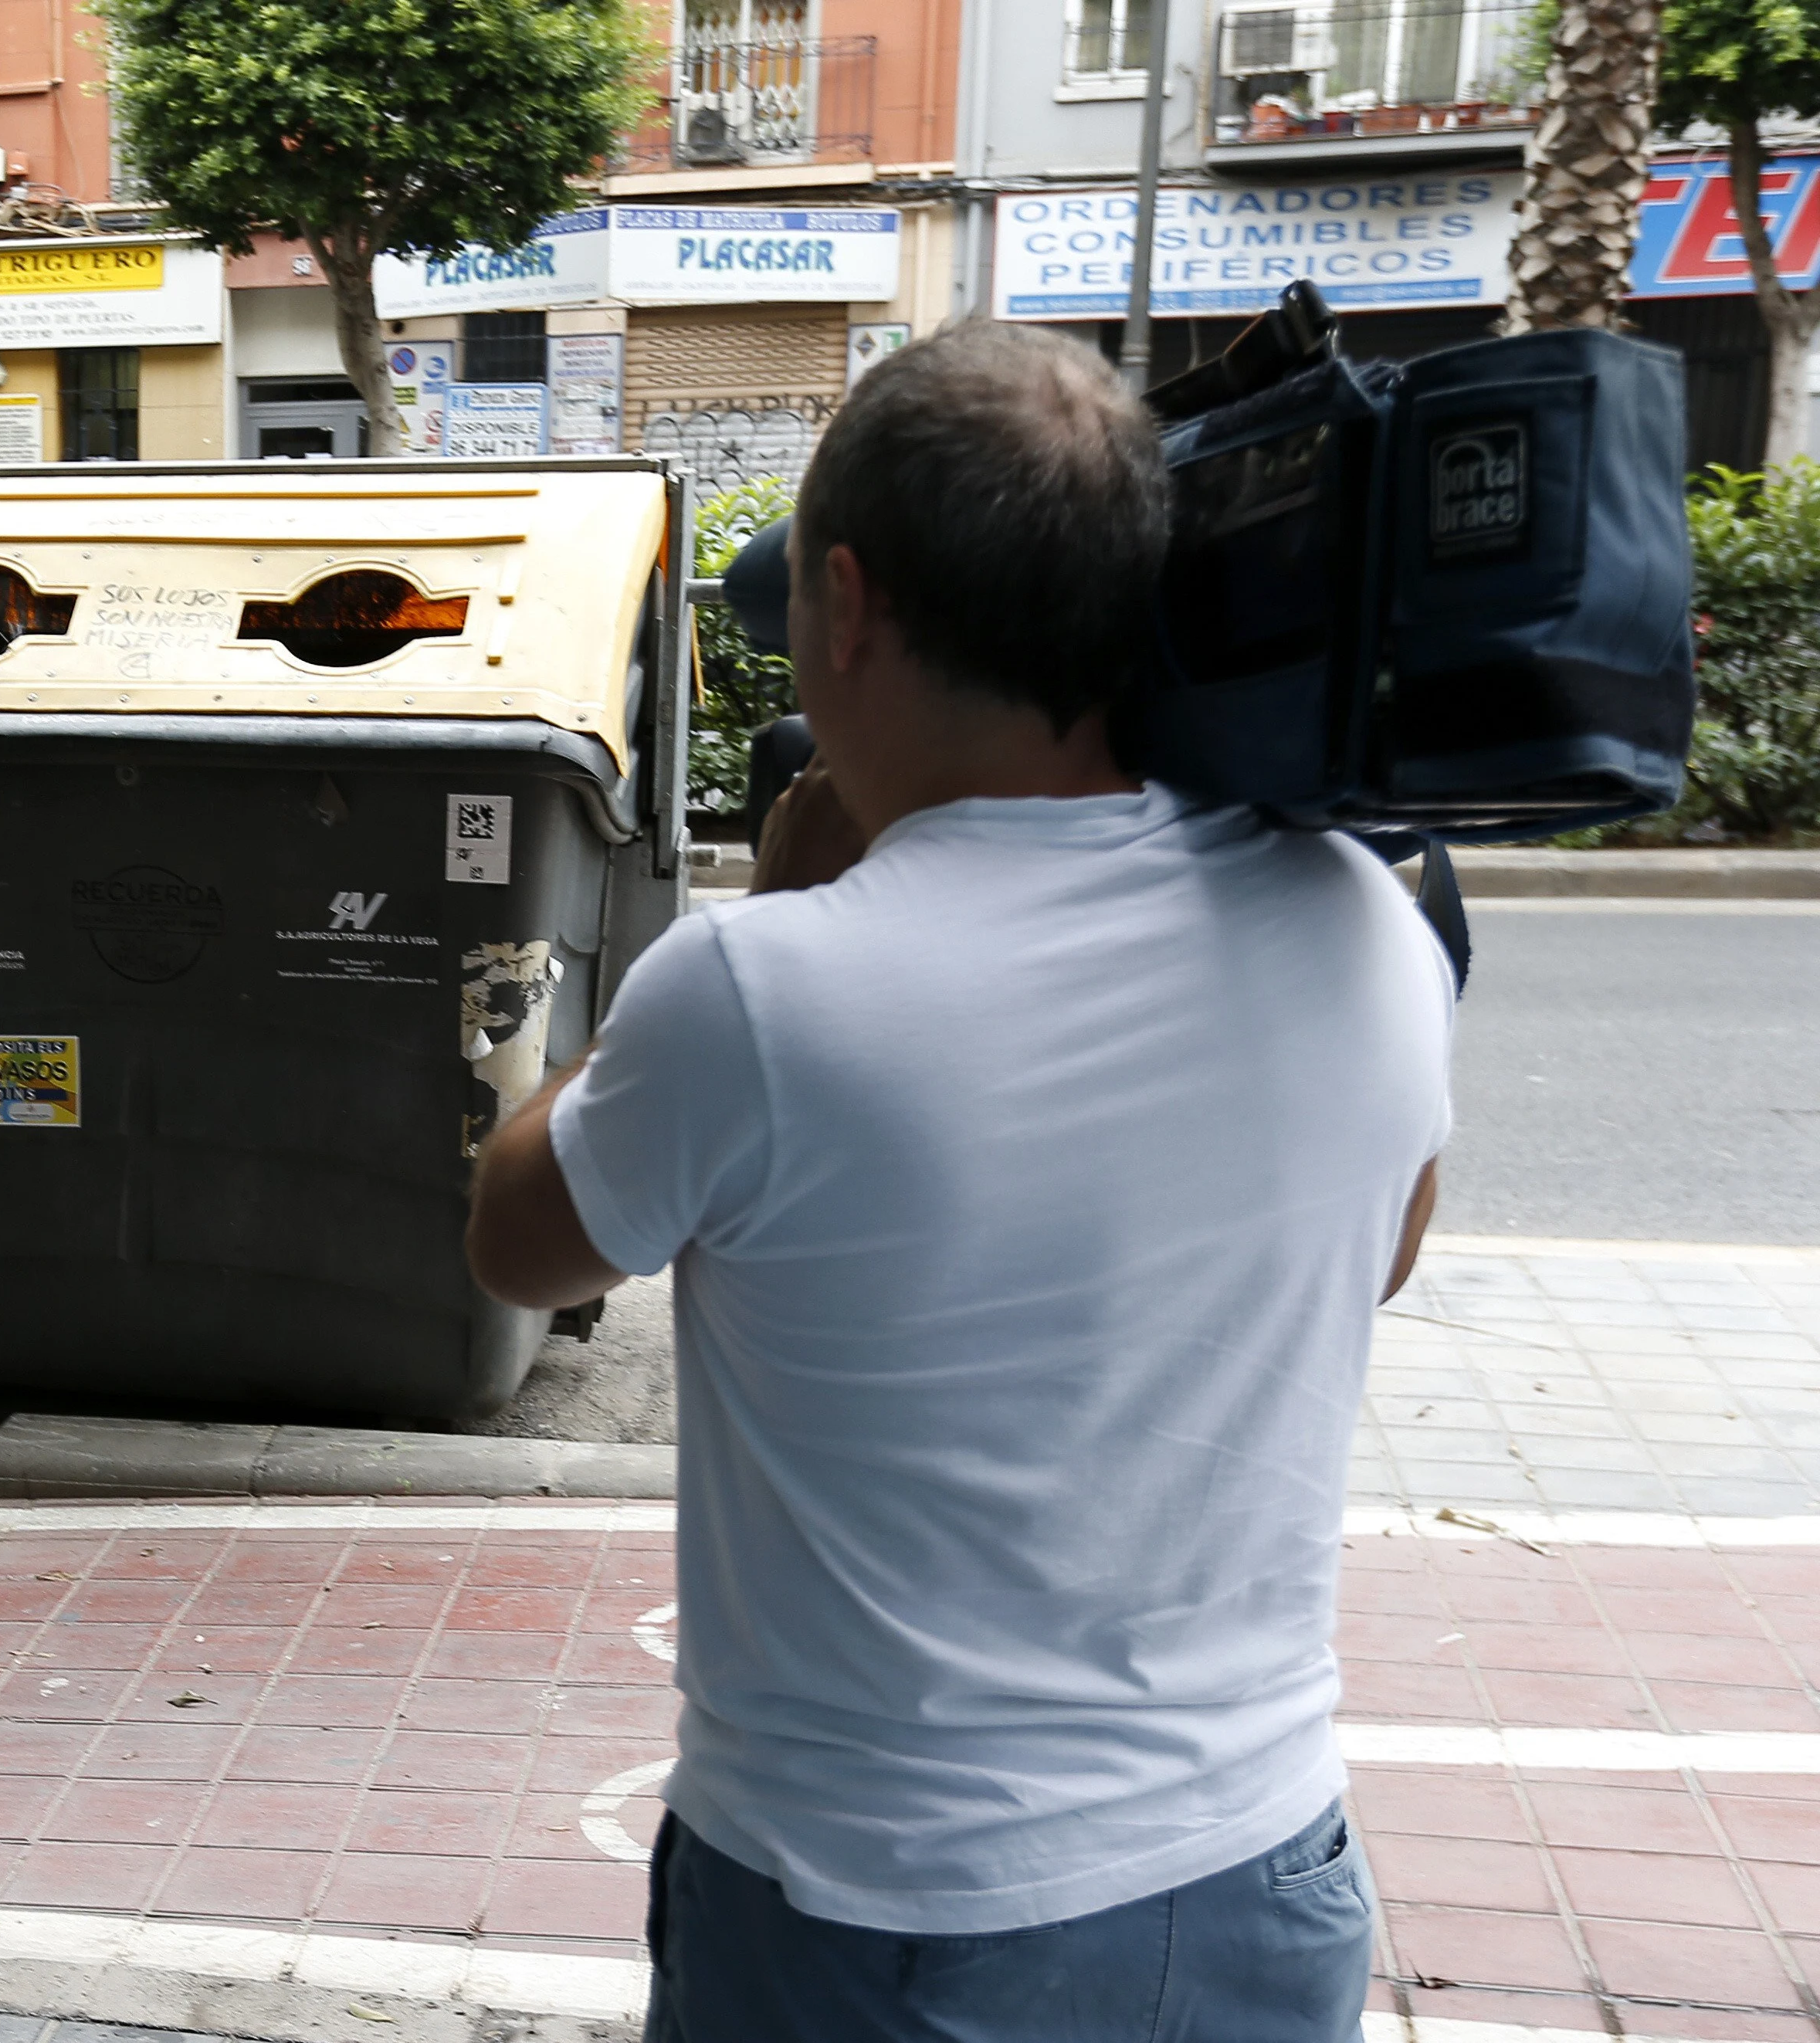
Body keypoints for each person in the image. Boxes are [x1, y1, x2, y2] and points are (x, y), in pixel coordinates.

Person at [463, 320, 1453, 2039]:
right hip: (1262, 1885)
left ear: (846, 605)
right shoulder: (1365, 920)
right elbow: (1372, 1252)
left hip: (884, 1921)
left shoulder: (768, 991)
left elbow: (522, 1246)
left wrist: (776, 910)